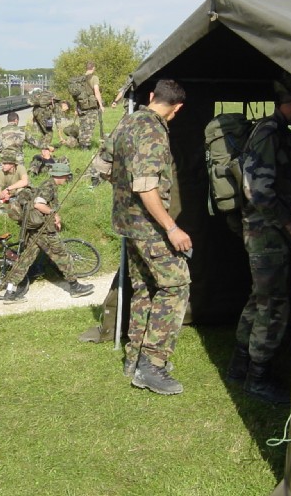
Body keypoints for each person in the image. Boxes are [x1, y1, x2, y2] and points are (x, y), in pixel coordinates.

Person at [225, 79, 291, 404]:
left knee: (260, 299)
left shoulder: (280, 131)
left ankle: (239, 366)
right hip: (267, 233)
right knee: (274, 304)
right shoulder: (270, 132)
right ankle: (258, 378)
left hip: (267, 230)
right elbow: (257, 190)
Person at [111, 79, 192, 396]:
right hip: (148, 226)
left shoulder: (127, 121)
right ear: (177, 108)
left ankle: (134, 359)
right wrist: (171, 227)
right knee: (176, 285)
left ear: (150, 96)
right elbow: (146, 187)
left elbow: (104, 165)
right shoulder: (153, 130)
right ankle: (152, 364)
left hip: (127, 223)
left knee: (144, 286)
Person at [2, 162, 93, 303]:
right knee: (62, 255)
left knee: (25, 260)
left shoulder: (47, 184)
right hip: (44, 231)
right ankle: (75, 287)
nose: (67, 178)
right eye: (66, 176)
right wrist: (53, 214)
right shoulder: (48, 187)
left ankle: (10, 292)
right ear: (60, 175)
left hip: (34, 230)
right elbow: (38, 204)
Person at [76, 62, 104, 149]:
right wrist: (101, 105)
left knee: (82, 125)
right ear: (93, 68)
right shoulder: (94, 78)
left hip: (81, 105)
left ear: (86, 68)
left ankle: (81, 144)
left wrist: (76, 108)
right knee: (89, 126)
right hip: (91, 105)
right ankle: (86, 146)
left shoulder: (80, 79)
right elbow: (96, 91)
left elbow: (77, 94)